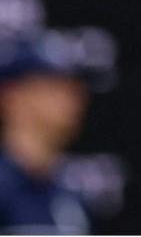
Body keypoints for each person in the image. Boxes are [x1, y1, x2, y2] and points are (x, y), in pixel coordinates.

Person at [0, 33, 91, 234]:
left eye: (74, 87)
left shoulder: (69, 195)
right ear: (11, 96)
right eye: (54, 86)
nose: (72, 98)